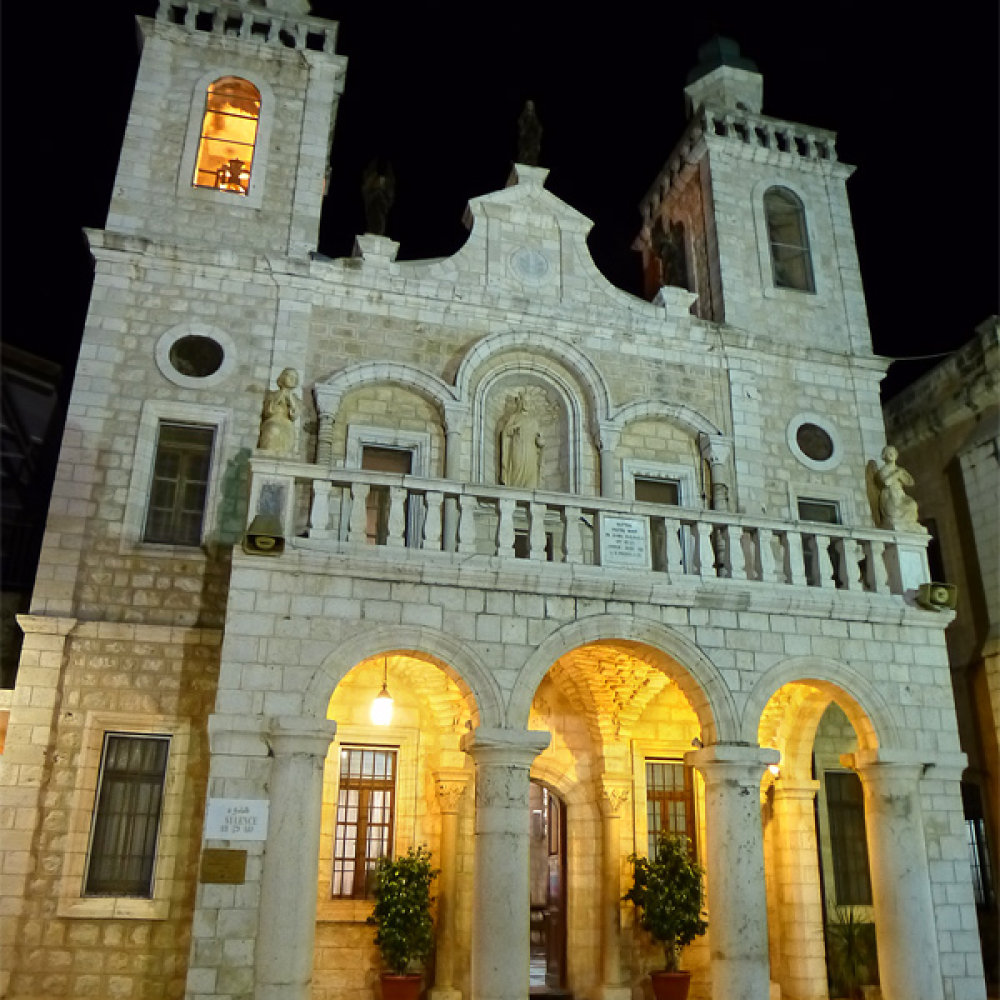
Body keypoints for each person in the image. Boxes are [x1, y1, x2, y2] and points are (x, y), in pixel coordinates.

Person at [872, 445, 923, 531]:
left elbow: (910, 482)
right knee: (894, 513)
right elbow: (886, 482)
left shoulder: (899, 469)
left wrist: (901, 473)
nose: (891, 454)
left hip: (900, 495)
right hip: (889, 495)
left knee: (912, 504)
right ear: (884, 456)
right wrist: (897, 474)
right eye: (888, 453)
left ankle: (909, 524)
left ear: (896, 455)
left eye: (893, 452)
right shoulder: (883, 470)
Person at [500, 392, 543, 488]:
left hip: (530, 450)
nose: (527, 404)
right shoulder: (514, 417)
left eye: (528, 402)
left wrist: (540, 441)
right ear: (521, 402)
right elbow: (506, 432)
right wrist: (515, 427)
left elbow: (538, 437)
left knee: (531, 474)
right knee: (517, 469)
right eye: (525, 401)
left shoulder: (534, 421)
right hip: (518, 447)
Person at [257, 368, 301, 456]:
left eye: (295, 377)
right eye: (290, 376)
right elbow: (268, 412)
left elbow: (294, 415)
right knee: (273, 430)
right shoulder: (272, 394)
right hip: (273, 420)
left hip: (287, 424)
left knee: (289, 437)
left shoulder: (295, 398)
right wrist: (279, 396)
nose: (293, 379)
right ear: (283, 377)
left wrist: (291, 400)